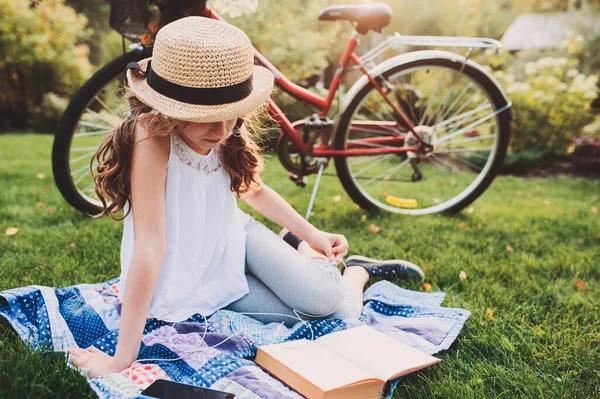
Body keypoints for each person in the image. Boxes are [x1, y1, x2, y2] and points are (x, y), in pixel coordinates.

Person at [67, 16, 424, 379]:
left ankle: (301, 247)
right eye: (207, 117)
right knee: (338, 317)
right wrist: (122, 358)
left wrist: (314, 235)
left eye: (231, 116)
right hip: (195, 279)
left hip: (236, 239)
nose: (222, 130)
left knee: (323, 299)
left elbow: (254, 190)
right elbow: (150, 245)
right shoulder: (151, 135)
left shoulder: (224, 132)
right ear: (170, 107)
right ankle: (358, 273)